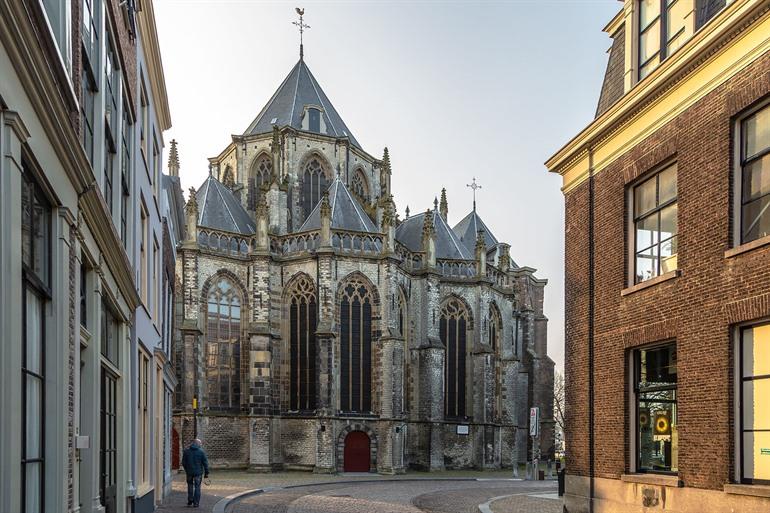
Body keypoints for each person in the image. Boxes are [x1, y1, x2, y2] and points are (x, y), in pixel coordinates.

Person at [182, 438, 210, 507]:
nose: (201, 444)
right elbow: (205, 464)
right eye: (200, 443)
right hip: (198, 473)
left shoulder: (186, 451)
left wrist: (187, 470)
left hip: (189, 473)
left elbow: (183, 463)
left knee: (190, 485)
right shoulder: (201, 452)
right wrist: (206, 473)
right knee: (197, 487)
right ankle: (196, 503)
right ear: (197, 444)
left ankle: (190, 499)